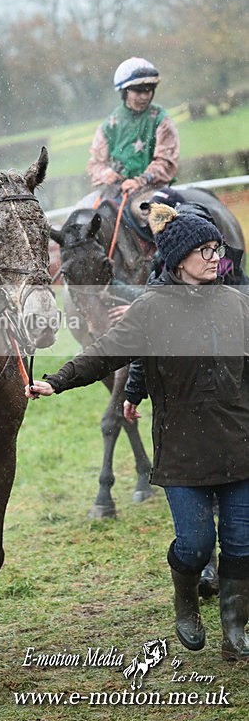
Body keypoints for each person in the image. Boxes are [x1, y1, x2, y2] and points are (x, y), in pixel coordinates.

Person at [26, 204, 249, 662]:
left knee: (243, 543)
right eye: (205, 250)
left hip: (240, 445)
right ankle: (185, 600)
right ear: (179, 256)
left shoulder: (237, 303)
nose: (215, 258)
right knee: (195, 544)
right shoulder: (151, 309)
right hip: (184, 449)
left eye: (217, 250)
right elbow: (105, 353)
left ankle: (234, 629)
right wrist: (57, 380)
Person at [87, 57, 180, 198]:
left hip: (154, 189)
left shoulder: (161, 120)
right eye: (138, 91)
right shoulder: (108, 125)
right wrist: (106, 173)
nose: (144, 97)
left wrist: (140, 181)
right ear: (125, 92)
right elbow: (95, 164)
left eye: (148, 91)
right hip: (117, 191)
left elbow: (166, 162)